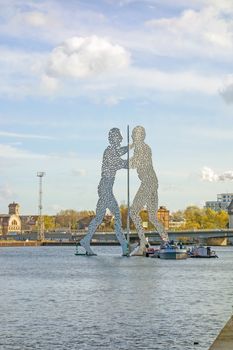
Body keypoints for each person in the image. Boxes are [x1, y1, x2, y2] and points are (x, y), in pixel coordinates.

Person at [80, 128, 129, 256]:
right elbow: (120, 163)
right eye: (119, 137)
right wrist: (134, 162)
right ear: (114, 138)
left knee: (99, 217)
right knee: (117, 216)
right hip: (105, 187)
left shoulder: (112, 150)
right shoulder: (109, 152)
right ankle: (124, 246)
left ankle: (85, 240)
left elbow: (121, 152)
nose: (121, 139)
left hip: (105, 187)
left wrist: (131, 146)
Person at [129, 126, 168, 255]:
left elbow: (134, 163)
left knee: (133, 212)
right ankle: (166, 241)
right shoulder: (143, 147)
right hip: (153, 182)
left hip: (148, 183)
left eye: (135, 135)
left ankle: (143, 244)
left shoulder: (142, 148)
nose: (133, 137)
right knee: (152, 216)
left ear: (141, 136)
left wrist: (120, 162)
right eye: (133, 135)